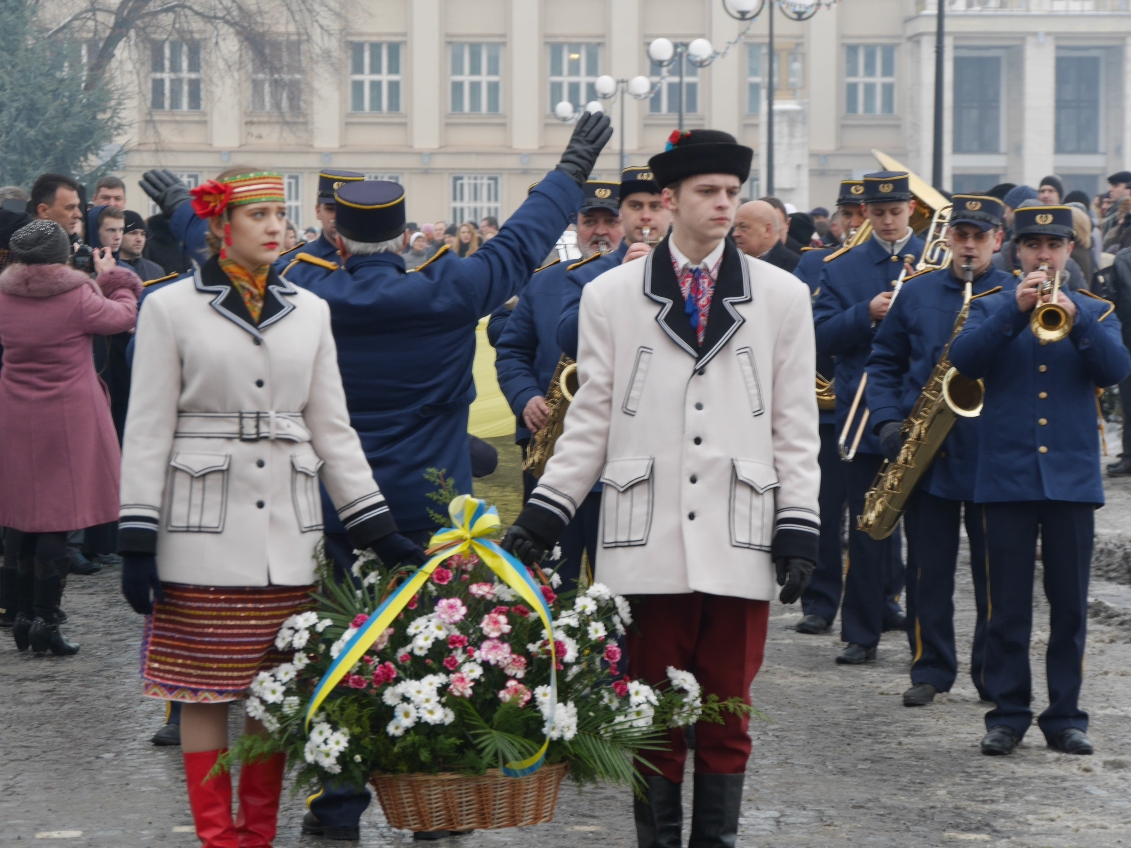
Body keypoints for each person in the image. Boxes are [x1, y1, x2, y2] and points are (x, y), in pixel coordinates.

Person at [293, 114, 612, 842]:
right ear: (405, 235)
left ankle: (336, 805)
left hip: (341, 502)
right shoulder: (451, 288)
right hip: (436, 504)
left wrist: (189, 217)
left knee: (341, 646)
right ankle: (435, 804)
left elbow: (236, 264)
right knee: (437, 649)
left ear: (336, 236)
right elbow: (524, 240)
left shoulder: (308, 293)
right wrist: (569, 170)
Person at [503, 129, 819, 848]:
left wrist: (799, 522)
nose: (723, 205)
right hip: (643, 531)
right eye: (708, 192)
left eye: (732, 193)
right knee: (649, 711)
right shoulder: (610, 295)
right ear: (669, 200)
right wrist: (545, 514)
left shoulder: (783, 295)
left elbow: (796, 424)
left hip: (739, 529)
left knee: (727, 711)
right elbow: (590, 419)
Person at [117, 167, 422, 848]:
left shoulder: (311, 310)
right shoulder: (169, 307)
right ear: (220, 226)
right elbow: (147, 428)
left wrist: (380, 531)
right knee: (203, 692)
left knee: (272, 693)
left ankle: (256, 834)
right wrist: (137, 536)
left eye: (280, 214)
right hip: (199, 534)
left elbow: (332, 430)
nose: (276, 227)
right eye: (258, 215)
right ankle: (216, 836)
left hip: (289, 536)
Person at [950, 205, 1131, 756]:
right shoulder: (990, 304)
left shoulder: (1096, 310)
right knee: (1007, 608)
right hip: (1006, 478)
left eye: (1053, 245)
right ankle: (1007, 715)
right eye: (1033, 245)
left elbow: (1115, 370)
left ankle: (1065, 716)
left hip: (1071, 480)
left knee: (1070, 607)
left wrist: (1077, 321)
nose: (1043, 255)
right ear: (1017, 251)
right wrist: (1015, 309)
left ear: (1069, 250)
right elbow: (964, 360)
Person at [865, 195, 1016, 706]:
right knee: (928, 570)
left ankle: (993, 676)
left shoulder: (1015, 293)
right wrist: (887, 420)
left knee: (995, 575)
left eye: (980, 237)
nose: (969, 246)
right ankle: (930, 668)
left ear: (997, 240)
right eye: (962, 235)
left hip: (992, 454)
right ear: (949, 238)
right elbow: (884, 361)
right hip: (928, 450)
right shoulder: (917, 291)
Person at [0, 220, 140, 656]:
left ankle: (22, 616)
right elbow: (124, 316)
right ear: (62, 256)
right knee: (57, 517)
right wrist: (115, 280)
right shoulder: (78, 295)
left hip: (14, 410)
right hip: (67, 414)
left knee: (23, 514)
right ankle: (45, 620)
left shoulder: (3, 294)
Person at [813, 170, 924, 665]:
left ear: (911, 210)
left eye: (895, 212)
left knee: (924, 532)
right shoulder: (842, 267)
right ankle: (860, 632)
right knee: (866, 526)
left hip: (922, 411)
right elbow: (818, 336)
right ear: (864, 213)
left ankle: (917, 631)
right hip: (861, 414)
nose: (887, 221)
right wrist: (865, 313)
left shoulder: (936, 261)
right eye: (877, 213)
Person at [494, 179, 624, 590]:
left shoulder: (645, 281)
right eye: (590, 221)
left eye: (610, 221)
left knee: (616, 587)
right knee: (550, 581)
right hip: (550, 453)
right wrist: (525, 397)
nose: (600, 231)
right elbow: (512, 350)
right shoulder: (543, 282)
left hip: (619, 458)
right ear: (576, 226)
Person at [792, 180, 865, 636]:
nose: (855, 223)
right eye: (849, 215)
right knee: (824, 508)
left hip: (872, 409)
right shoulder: (814, 263)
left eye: (862, 215)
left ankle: (881, 599)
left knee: (873, 515)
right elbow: (802, 328)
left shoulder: (903, 265)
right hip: (825, 408)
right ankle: (819, 602)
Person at [557, 165, 670, 361]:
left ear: (672, 212)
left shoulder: (691, 267)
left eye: (655, 206)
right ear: (621, 213)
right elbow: (569, 341)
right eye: (635, 206)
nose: (645, 216)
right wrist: (622, 285)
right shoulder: (586, 274)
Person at [1101, 245, 1131, 477]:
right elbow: (1112, 302)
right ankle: (1129, 455)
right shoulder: (1123, 260)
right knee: (1129, 401)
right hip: (1129, 340)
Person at [732, 200, 799, 271]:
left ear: (767, 230)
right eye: (735, 227)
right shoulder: (732, 263)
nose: (735, 234)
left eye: (743, 227)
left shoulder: (795, 267)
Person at [118, 211, 166, 282]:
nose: (139, 239)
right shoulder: (107, 269)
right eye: (133, 233)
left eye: (143, 234)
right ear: (119, 236)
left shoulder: (156, 271)